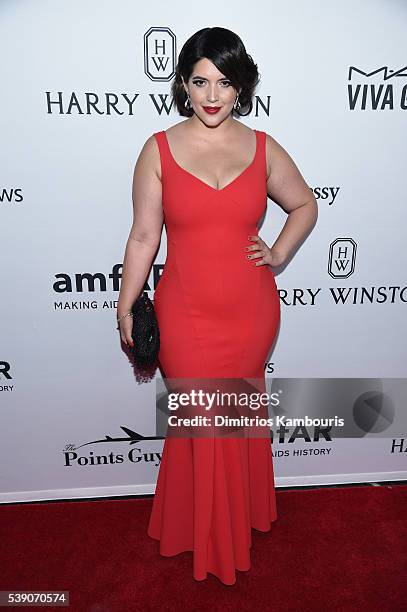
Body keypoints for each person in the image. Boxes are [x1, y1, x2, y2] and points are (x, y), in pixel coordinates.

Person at [117, 27, 318, 585]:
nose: (212, 95)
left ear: (240, 89)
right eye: (201, 81)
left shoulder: (264, 147)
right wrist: (125, 305)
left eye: (225, 83)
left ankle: (236, 517)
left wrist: (277, 253)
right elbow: (142, 239)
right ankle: (209, 535)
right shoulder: (157, 149)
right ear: (183, 85)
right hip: (185, 311)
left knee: (233, 418)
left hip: (250, 310)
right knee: (204, 420)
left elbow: (304, 204)